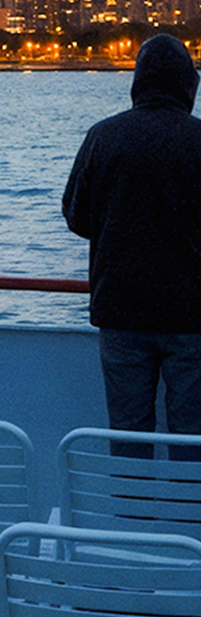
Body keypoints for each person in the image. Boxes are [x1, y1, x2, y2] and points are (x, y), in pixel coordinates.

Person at [63, 33, 201, 446]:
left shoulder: (103, 138)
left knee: (127, 435)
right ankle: (188, 510)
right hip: (193, 314)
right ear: (188, 84)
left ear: (138, 81)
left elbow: (75, 215)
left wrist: (116, 227)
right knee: (193, 436)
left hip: (121, 309)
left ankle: (133, 510)